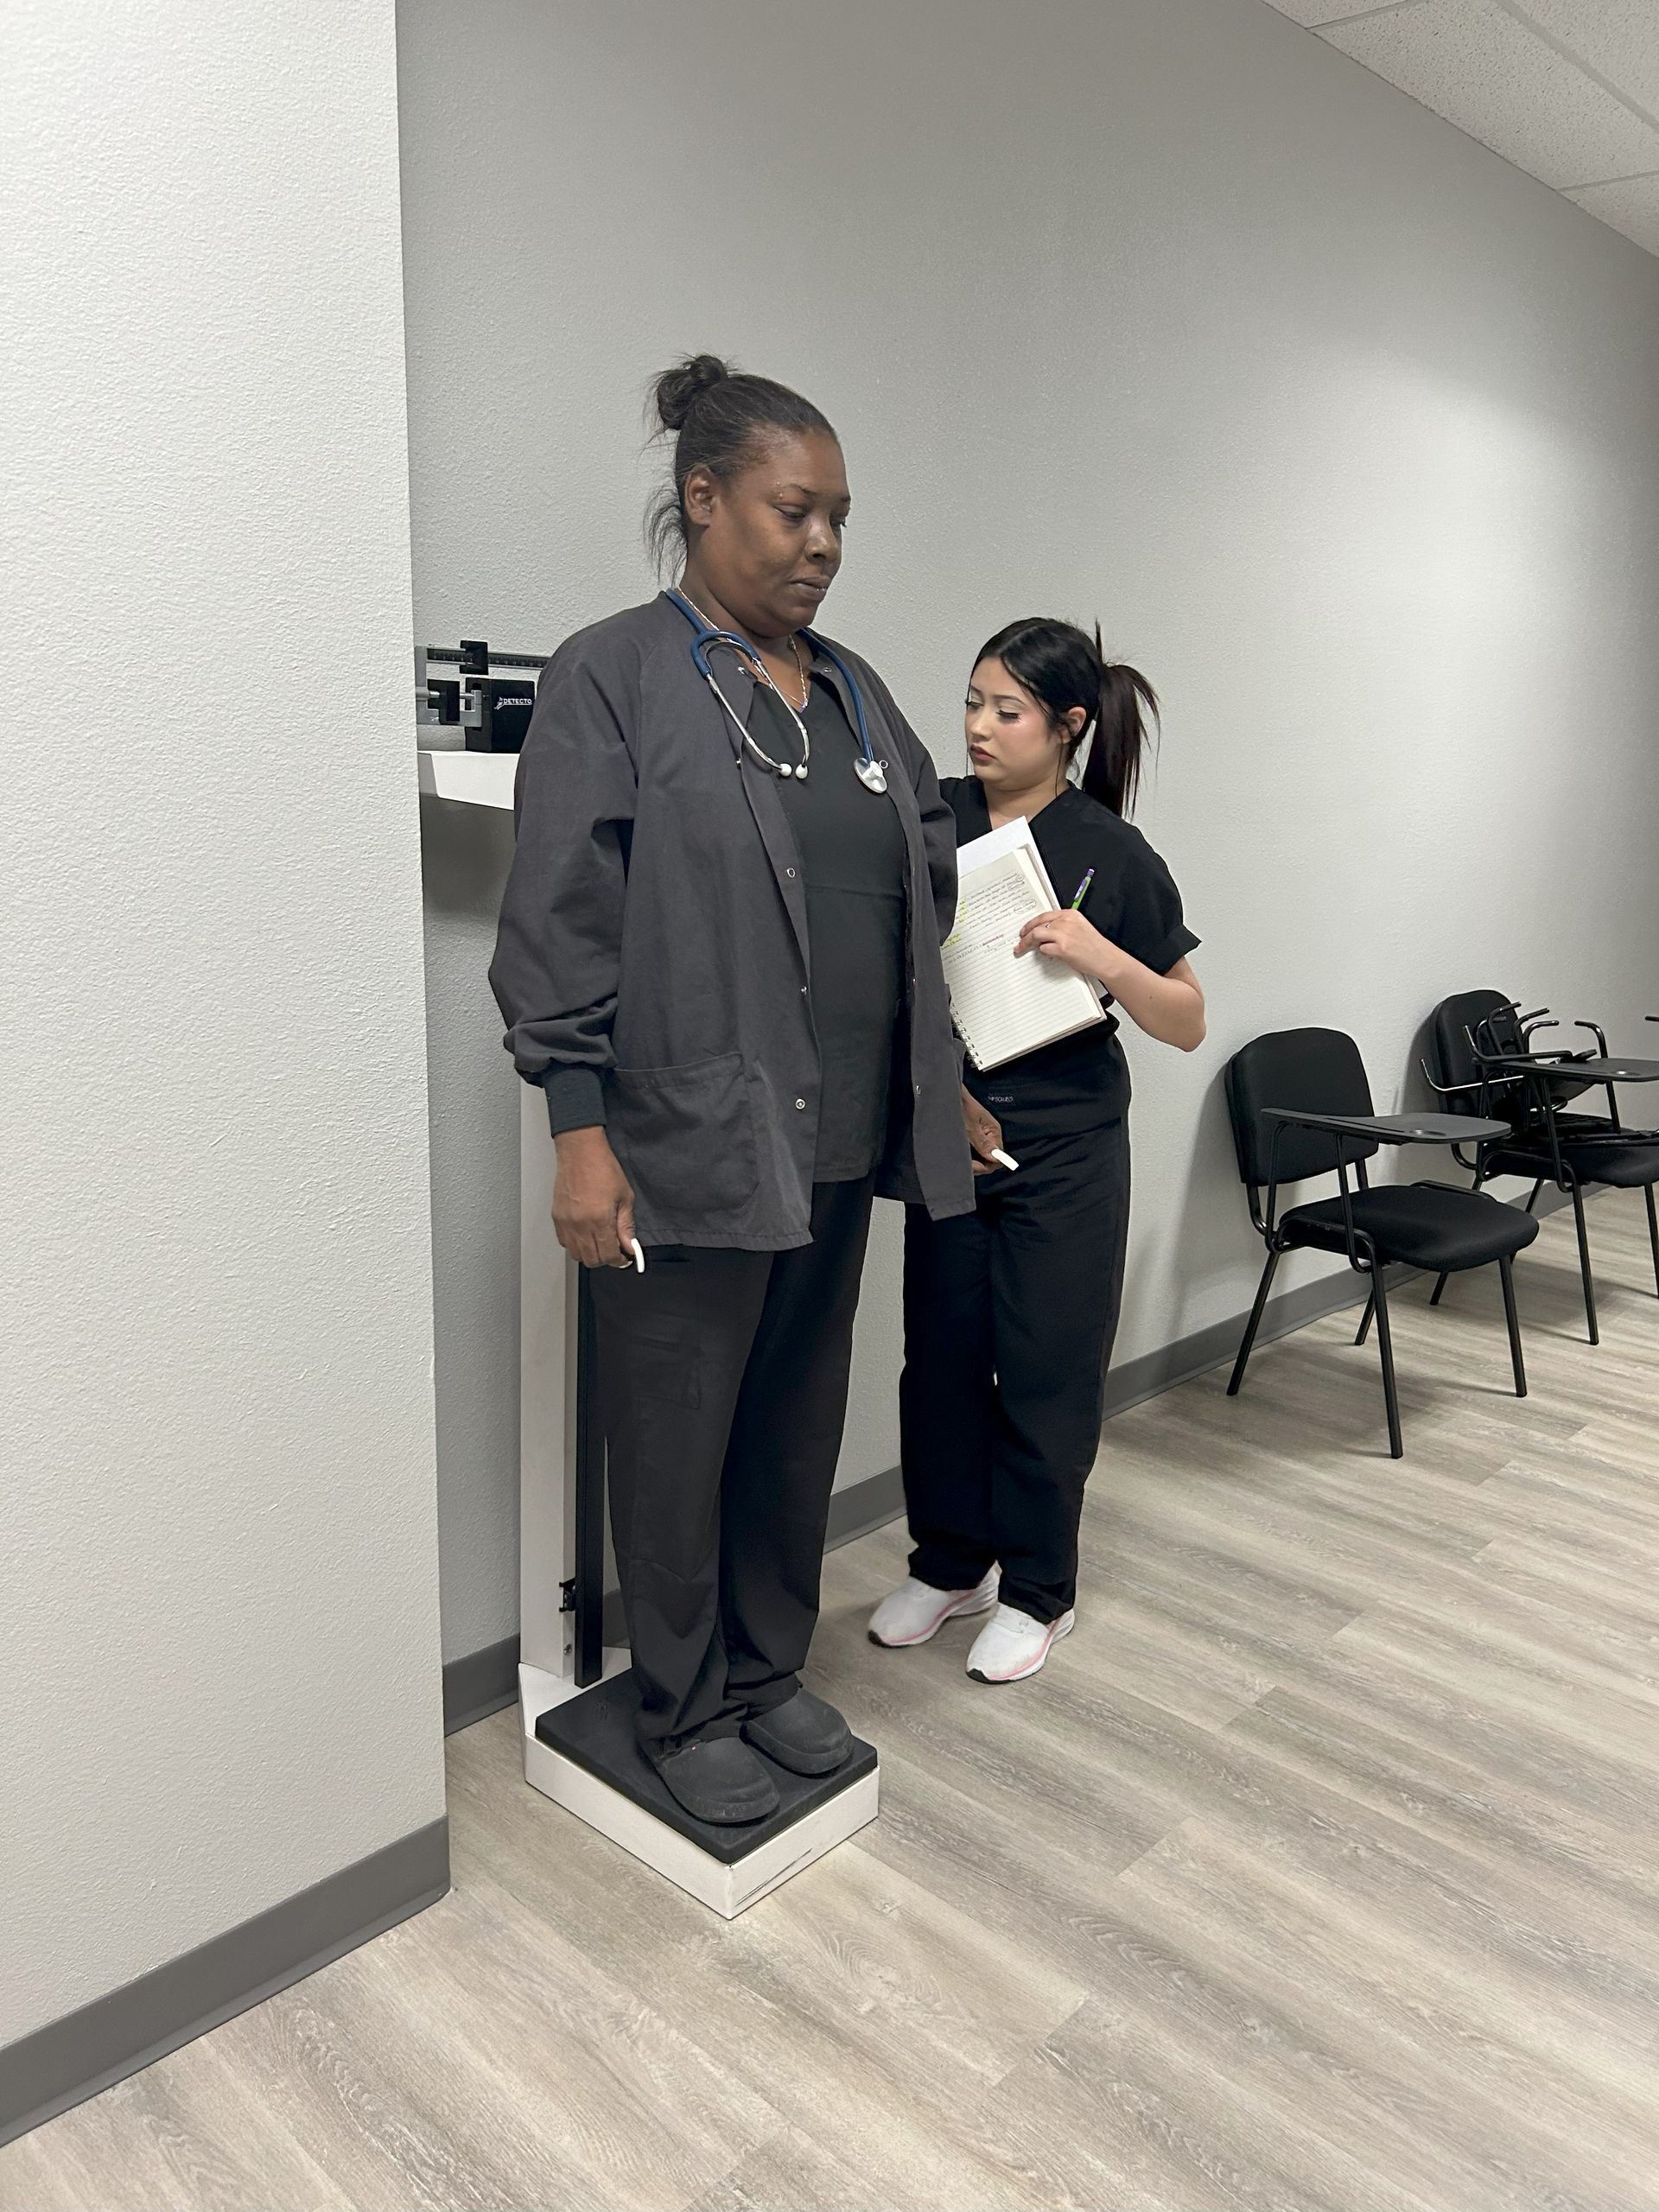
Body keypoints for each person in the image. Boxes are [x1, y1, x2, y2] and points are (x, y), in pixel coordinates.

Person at [490, 355, 974, 1824]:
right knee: (678, 1434)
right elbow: (561, 917)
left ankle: (766, 1675)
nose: (822, 544)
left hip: (837, 1136)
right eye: (792, 511)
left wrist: (932, 1070)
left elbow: (925, 873)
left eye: (839, 520)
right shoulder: (615, 674)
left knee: (791, 1427)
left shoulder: (856, 693)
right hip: (686, 1142)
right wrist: (581, 1133)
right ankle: (684, 1701)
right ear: (703, 500)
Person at [868, 619, 1205, 1683]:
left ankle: (1038, 1590)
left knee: (1047, 1372)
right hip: (953, 1137)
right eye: (972, 702)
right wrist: (944, 1099)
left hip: (1068, 1150)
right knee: (941, 1363)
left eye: (1005, 710)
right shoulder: (933, 818)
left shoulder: (1112, 850)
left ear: (1066, 726)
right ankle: (951, 1563)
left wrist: (1101, 953)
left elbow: (1186, 1020)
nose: (978, 726)